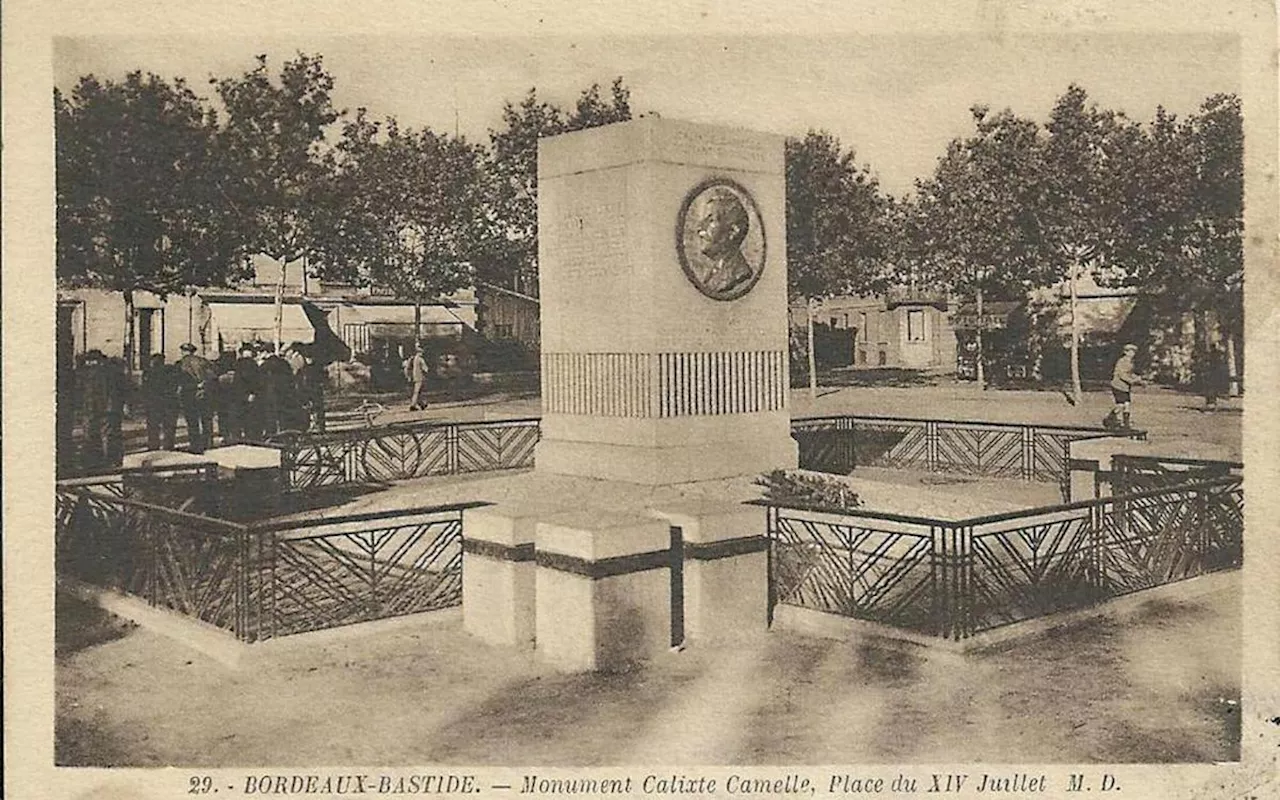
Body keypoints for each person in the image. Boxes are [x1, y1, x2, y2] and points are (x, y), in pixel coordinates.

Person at [694, 189, 754, 296]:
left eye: (711, 220)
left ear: (733, 231)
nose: (700, 228)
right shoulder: (712, 273)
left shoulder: (739, 273)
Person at [176, 343, 216, 453]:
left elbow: (179, 381)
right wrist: (203, 385)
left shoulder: (180, 364)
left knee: (192, 421)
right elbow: (213, 376)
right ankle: (208, 444)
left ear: (183, 351)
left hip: (189, 395)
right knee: (206, 419)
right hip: (204, 394)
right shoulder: (203, 361)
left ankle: (195, 445)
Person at [141, 353, 178, 450]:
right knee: (169, 425)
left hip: (154, 402)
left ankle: (153, 445)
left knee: (153, 425)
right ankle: (168, 445)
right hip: (168, 402)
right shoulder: (170, 371)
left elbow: (145, 388)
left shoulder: (148, 372)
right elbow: (174, 386)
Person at [1104, 343, 1142, 431]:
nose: (1133, 354)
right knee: (1121, 406)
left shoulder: (1131, 362)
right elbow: (1122, 375)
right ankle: (1109, 419)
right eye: (1131, 352)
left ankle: (1126, 424)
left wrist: (1138, 378)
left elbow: (1130, 373)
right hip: (1118, 386)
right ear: (1125, 352)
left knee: (1127, 405)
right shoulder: (1122, 361)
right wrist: (1132, 381)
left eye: (1134, 352)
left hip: (1125, 387)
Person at [230, 343, 262, 442]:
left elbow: (238, 381)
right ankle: (250, 437)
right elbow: (256, 381)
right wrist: (253, 393)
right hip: (249, 394)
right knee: (250, 417)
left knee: (239, 417)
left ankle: (238, 437)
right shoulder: (253, 364)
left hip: (238, 394)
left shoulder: (238, 364)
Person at [1201, 343, 1230, 411]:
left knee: (1211, 388)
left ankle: (1211, 403)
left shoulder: (1214, 355)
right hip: (1214, 373)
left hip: (1213, 373)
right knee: (1211, 388)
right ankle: (1211, 403)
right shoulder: (1217, 355)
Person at [405, 341, 430, 411]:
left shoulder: (412, 359)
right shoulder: (420, 359)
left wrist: (408, 376)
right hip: (420, 377)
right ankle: (413, 405)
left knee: (418, 392)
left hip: (413, 377)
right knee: (417, 392)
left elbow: (407, 367)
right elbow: (426, 369)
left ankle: (422, 404)